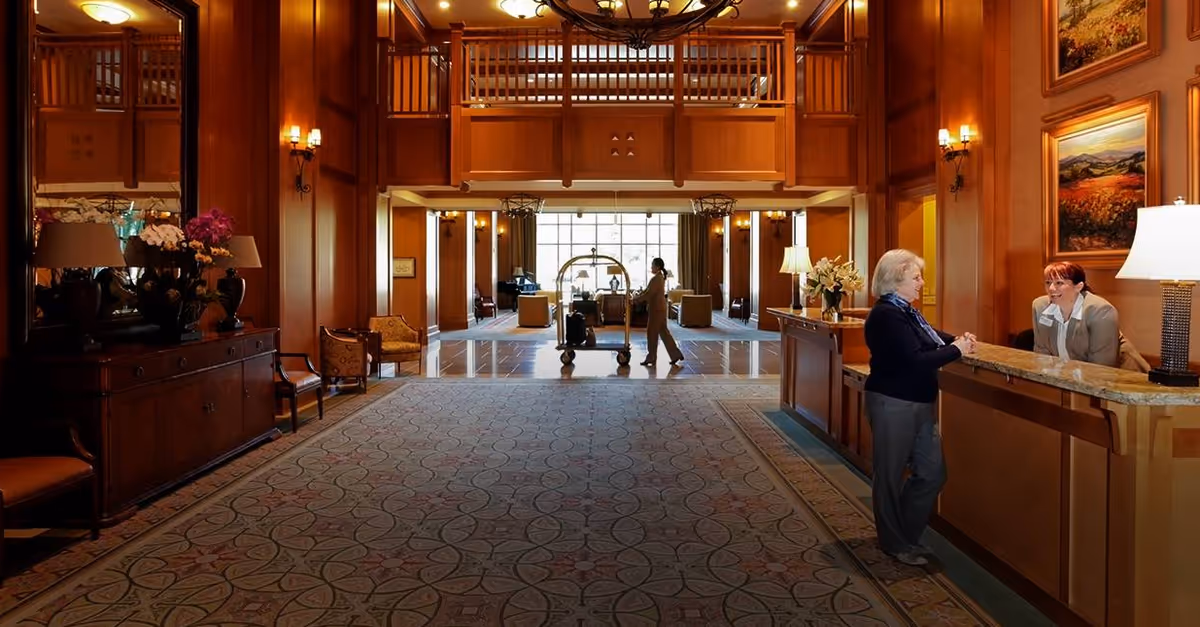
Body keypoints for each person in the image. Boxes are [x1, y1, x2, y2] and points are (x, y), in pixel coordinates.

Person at [863, 249, 975, 567]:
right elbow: (914, 359)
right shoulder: (886, 315)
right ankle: (895, 543)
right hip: (893, 402)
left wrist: (956, 340)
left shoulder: (906, 312)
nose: (922, 282)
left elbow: (929, 337)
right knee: (889, 475)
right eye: (916, 277)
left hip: (920, 402)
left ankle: (905, 535)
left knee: (932, 473)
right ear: (895, 279)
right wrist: (956, 349)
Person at [1032, 261, 1150, 371]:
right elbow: (1042, 352)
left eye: (1059, 283)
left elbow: (1101, 367)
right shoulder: (1040, 306)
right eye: (1048, 282)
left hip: (1122, 375)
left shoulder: (1101, 311)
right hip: (1075, 376)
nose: (1051, 288)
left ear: (1078, 286)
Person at [632, 257, 684, 367]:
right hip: (660, 308)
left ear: (658, 267)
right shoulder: (659, 277)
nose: (651, 267)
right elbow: (647, 291)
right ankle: (675, 354)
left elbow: (649, 294)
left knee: (651, 333)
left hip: (656, 310)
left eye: (652, 265)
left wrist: (635, 300)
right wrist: (637, 297)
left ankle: (651, 357)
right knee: (664, 332)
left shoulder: (657, 279)